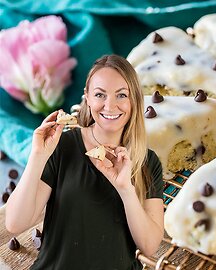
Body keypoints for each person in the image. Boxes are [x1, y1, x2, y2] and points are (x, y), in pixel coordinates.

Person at [5, 54, 165, 269]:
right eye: (100, 94)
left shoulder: (147, 161)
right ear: (87, 98)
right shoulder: (62, 146)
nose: (110, 106)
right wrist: (38, 156)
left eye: (121, 95)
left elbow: (149, 246)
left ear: (134, 99)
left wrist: (125, 188)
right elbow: (15, 223)